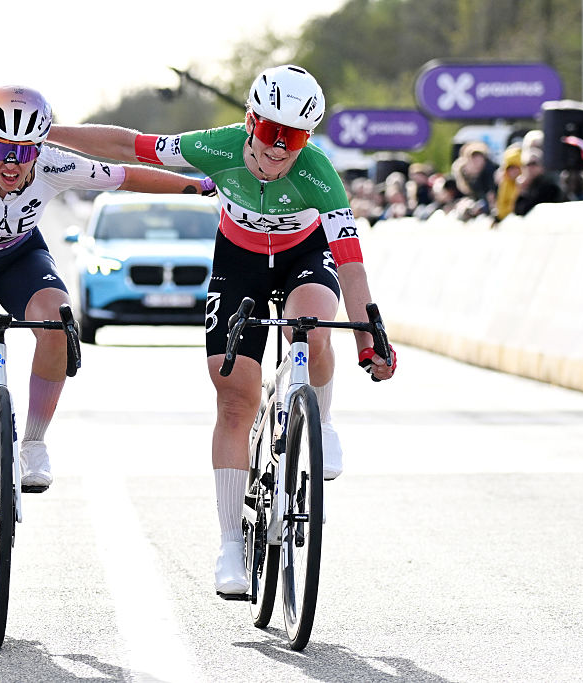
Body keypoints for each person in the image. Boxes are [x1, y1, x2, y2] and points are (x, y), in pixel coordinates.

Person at [47, 65, 397, 596]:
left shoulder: (319, 174)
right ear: (251, 121)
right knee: (235, 401)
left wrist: (370, 340)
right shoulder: (218, 147)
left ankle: (321, 422)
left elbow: (350, 263)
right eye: (271, 132)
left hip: (304, 257)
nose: (280, 148)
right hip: (240, 259)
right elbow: (129, 145)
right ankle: (230, 546)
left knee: (313, 329)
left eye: (296, 137)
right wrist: (48, 131)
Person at [0, 85, 212, 593]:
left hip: (18, 260)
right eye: (3, 150)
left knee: (57, 320)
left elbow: (125, 177)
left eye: (25, 152)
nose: (14, 163)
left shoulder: (51, 164)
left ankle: (32, 443)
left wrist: (199, 187)